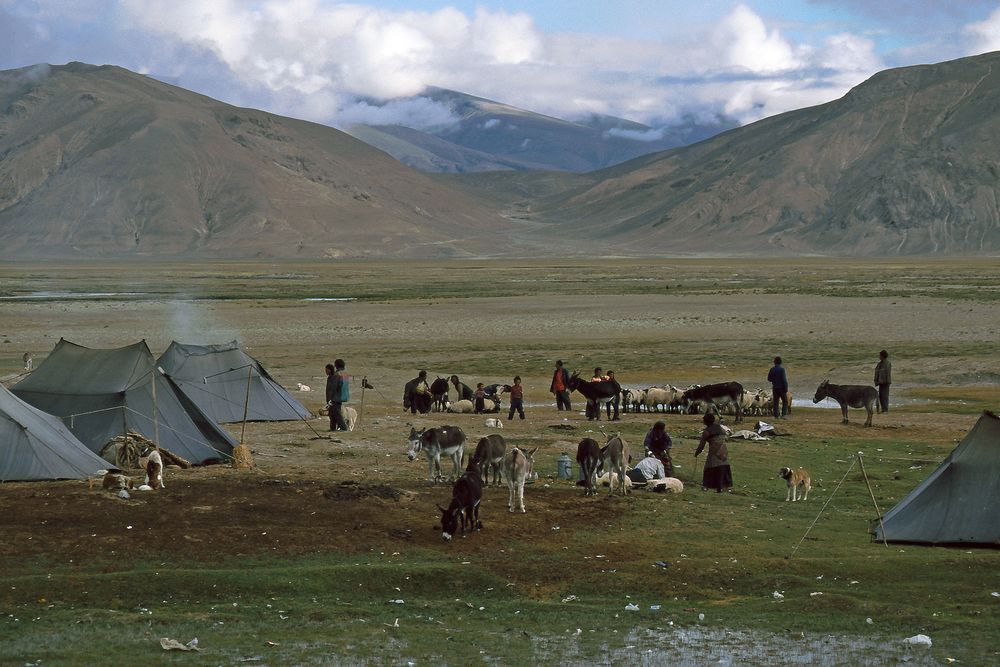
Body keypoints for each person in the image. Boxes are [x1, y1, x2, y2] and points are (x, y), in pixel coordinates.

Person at [695, 412, 732, 493]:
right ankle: (721, 487)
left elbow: (701, 446)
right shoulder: (720, 428)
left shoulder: (707, 432)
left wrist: (697, 453)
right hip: (723, 450)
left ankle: (706, 486)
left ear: (706, 421)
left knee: (709, 467)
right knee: (722, 467)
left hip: (714, 451)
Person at [325, 360, 349, 431]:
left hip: (336, 397)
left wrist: (330, 398)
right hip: (342, 396)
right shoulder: (345, 374)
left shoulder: (337, 375)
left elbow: (334, 387)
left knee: (337, 414)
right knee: (333, 414)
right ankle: (332, 428)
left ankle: (344, 428)